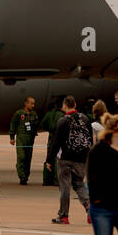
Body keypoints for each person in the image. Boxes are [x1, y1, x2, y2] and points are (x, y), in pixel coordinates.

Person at [49, 96, 94, 224]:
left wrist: (49, 160)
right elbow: (90, 138)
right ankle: (89, 207)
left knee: (65, 186)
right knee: (79, 183)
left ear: (65, 105)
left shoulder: (63, 121)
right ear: (75, 104)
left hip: (66, 158)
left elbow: (55, 142)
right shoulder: (85, 119)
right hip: (81, 158)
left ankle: (64, 215)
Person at [9, 96, 39, 185]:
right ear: (26, 103)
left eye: (34, 104)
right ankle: (21, 175)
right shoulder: (19, 113)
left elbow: (36, 125)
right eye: (31, 103)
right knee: (21, 157)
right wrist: (12, 137)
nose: (33, 105)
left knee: (28, 158)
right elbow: (13, 124)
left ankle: (26, 176)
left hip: (30, 139)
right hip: (21, 138)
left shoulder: (34, 114)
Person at [40, 98, 65, 186]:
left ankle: (46, 180)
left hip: (50, 139)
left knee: (48, 159)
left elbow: (42, 124)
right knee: (56, 160)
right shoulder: (62, 115)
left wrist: (50, 129)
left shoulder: (48, 114)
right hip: (58, 139)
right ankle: (56, 180)